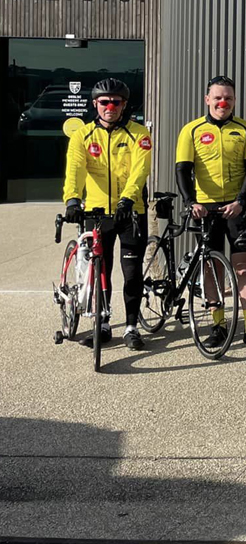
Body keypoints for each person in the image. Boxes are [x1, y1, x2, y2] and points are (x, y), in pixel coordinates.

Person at [175, 76, 246, 350]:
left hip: (237, 208)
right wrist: (191, 201)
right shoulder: (191, 130)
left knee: (243, 267)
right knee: (211, 267)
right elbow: (183, 169)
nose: (223, 102)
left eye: (228, 97)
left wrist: (241, 200)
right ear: (207, 100)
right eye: (217, 97)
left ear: (235, 100)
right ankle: (218, 324)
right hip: (205, 209)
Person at [62, 78, 153, 351]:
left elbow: (140, 170)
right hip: (96, 213)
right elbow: (75, 168)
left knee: (131, 272)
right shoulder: (83, 136)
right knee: (100, 271)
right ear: (95, 104)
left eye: (116, 101)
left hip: (130, 212)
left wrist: (128, 198)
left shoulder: (140, 134)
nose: (110, 106)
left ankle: (131, 326)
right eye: (104, 101)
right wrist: (72, 199)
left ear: (124, 105)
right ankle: (102, 324)